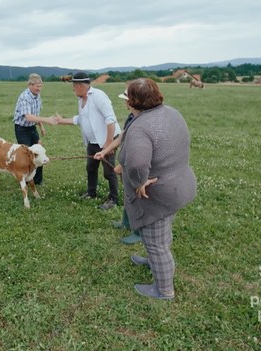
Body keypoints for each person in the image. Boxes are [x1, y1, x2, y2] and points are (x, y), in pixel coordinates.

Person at [117, 78, 197, 299]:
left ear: (131, 102)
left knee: (156, 244)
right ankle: (153, 262)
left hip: (160, 195)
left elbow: (137, 164)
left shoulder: (140, 127)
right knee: (161, 232)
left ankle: (164, 289)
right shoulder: (172, 112)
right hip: (180, 185)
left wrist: (139, 181)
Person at [54, 71, 121, 210]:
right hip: (93, 141)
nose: (73, 89)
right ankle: (91, 193)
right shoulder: (81, 99)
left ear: (79, 86)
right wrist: (61, 121)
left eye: (73, 86)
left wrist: (108, 144)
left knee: (109, 171)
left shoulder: (98, 96)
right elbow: (81, 119)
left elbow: (111, 119)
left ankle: (113, 199)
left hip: (107, 140)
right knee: (91, 167)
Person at [94, 88, 141, 244]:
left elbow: (138, 147)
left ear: (133, 101)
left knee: (137, 198)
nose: (124, 102)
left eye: (126, 99)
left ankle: (139, 231)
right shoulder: (132, 116)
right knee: (128, 194)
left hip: (137, 165)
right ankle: (126, 223)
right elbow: (122, 136)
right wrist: (105, 151)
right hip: (128, 163)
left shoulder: (143, 120)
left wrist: (122, 164)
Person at [12, 73, 57, 185]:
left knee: (39, 151)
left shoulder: (37, 96)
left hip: (32, 127)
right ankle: (26, 180)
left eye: (40, 86)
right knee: (27, 155)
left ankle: (38, 180)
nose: (39, 89)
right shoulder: (25, 97)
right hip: (22, 129)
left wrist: (41, 126)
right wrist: (47, 120)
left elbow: (35, 114)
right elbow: (28, 116)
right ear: (30, 85)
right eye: (37, 86)